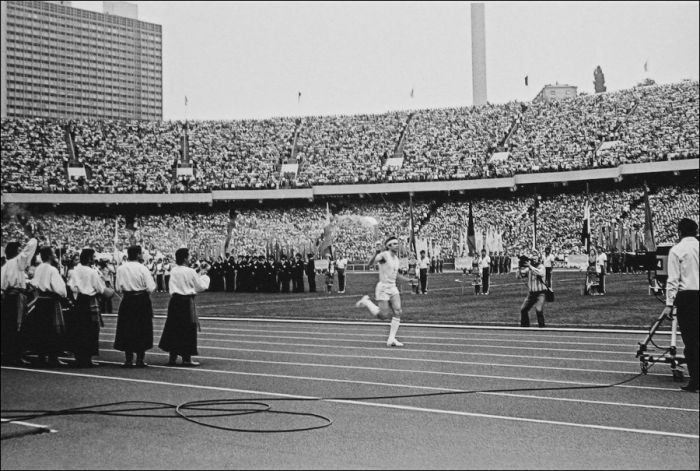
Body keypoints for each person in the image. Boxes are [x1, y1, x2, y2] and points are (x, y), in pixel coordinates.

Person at [661, 218, 699, 393]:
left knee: (691, 342)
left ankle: (695, 381)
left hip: (687, 297)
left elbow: (673, 280)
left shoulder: (677, 250)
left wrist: (669, 304)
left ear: (680, 232)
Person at [355, 236, 412, 347]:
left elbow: (396, 275)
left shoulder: (396, 259)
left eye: (397, 243)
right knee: (383, 315)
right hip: (383, 288)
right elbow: (369, 264)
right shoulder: (384, 256)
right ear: (389, 246)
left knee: (398, 311)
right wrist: (376, 253)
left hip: (393, 287)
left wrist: (408, 279)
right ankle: (367, 302)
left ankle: (391, 339)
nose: (397, 245)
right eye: (394, 243)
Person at [159, 248, 210, 367]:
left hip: (175, 301)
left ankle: (172, 357)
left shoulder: (174, 270)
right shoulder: (190, 271)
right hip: (186, 302)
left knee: (173, 328)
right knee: (187, 329)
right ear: (185, 258)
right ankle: (186, 358)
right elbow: (199, 286)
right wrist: (205, 276)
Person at [25, 246, 68, 367]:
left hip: (40, 301)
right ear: (49, 256)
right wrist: (63, 295)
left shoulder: (38, 268)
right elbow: (60, 289)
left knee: (41, 330)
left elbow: (34, 283)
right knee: (53, 330)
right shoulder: (52, 269)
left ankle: (41, 356)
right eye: (54, 254)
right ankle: (53, 357)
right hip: (50, 301)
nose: (55, 256)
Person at [114, 245, 156, 368]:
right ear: (138, 254)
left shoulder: (121, 268)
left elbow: (118, 288)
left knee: (127, 328)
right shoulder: (143, 268)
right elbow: (151, 287)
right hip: (141, 299)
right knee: (142, 328)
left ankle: (128, 359)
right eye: (141, 253)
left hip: (127, 300)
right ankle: (140, 359)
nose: (142, 255)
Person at [67, 248, 108, 368]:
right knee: (90, 331)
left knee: (78, 330)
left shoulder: (75, 270)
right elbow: (100, 289)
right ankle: (87, 358)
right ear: (89, 258)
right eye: (93, 257)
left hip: (78, 301)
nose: (95, 259)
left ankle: (79, 357)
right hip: (89, 301)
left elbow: (70, 286)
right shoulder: (92, 272)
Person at [1, 237, 38, 365]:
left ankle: (9, 354)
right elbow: (32, 245)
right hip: (16, 297)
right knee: (18, 326)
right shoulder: (17, 261)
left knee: (9, 327)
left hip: (9, 297)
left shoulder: (6, 265)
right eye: (18, 249)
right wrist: (32, 237)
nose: (20, 251)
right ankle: (16, 355)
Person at [518, 249, 548, 328]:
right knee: (523, 309)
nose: (534, 258)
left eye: (535, 257)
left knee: (538, 310)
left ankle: (542, 328)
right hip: (531, 294)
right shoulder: (529, 268)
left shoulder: (541, 267)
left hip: (540, 293)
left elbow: (540, 273)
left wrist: (529, 266)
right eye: (533, 257)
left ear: (539, 258)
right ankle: (525, 327)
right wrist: (519, 269)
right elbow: (521, 275)